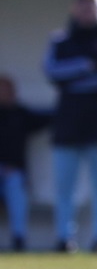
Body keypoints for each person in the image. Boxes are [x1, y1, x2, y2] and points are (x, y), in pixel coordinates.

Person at [42, 0, 97, 254]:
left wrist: (71, 82)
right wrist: (82, 66)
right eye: (82, 6)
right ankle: (64, 239)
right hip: (68, 126)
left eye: (91, 7)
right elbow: (51, 71)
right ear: (73, 9)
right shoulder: (60, 41)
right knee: (64, 188)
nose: (86, 11)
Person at [0, 75, 52, 252]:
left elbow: (48, 117)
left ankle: (18, 238)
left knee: (15, 184)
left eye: (6, 89)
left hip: (13, 174)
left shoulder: (21, 114)